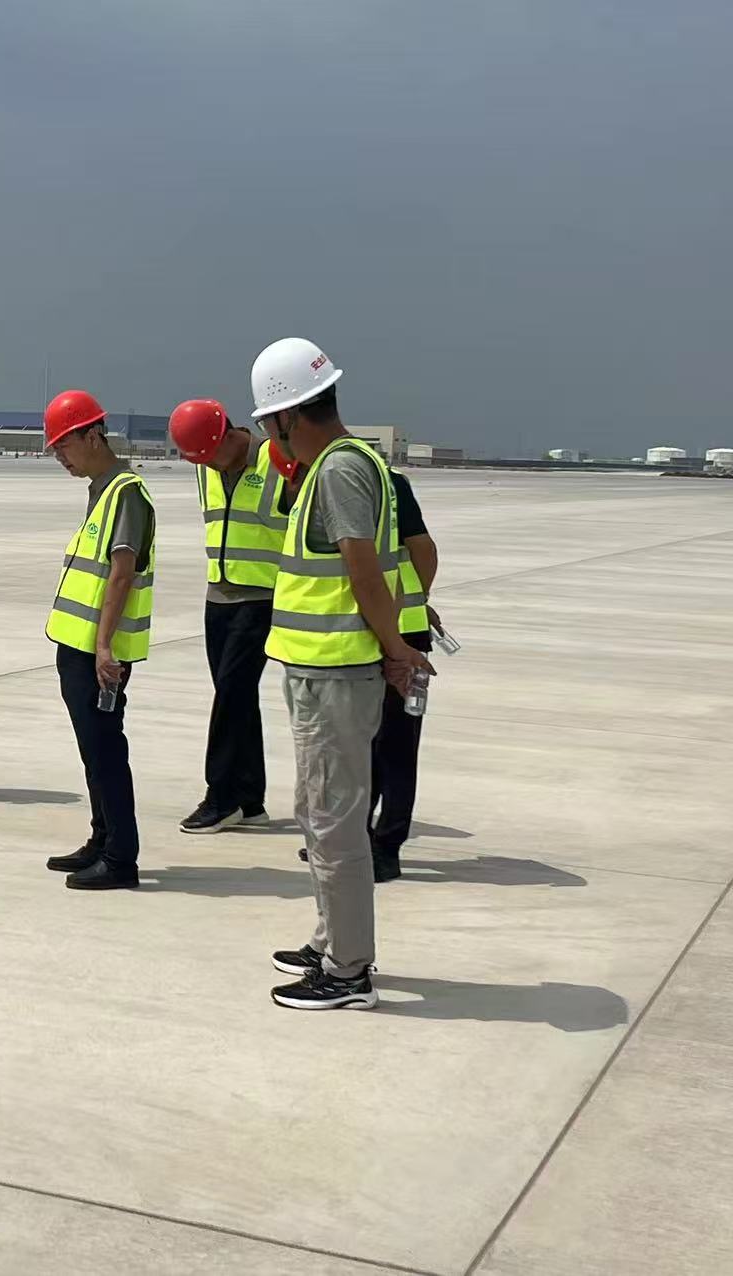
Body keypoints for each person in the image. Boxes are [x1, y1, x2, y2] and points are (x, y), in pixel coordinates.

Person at [250, 338, 433, 1010]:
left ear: (285, 416)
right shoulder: (345, 464)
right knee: (318, 811)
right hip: (321, 670)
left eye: (269, 424)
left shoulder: (339, 470)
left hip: (336, 673)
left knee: (334, 821)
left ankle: (348, 971)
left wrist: (395, 648)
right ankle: (331, 940)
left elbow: (362, 570)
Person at [40, 390, 156, 890]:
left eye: (65, 445)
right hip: (78, 647)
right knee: (93, 751)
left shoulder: (126, 493)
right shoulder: (102, 491)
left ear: (93, 436)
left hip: (98, 654)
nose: (60, 457)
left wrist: (105, 648)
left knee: (106, 752)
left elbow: (122, 573)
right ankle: (102, 837)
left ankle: (121, 858)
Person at [166, 399, 288, 834]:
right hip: (218, 594)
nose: (209, 465)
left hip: (263, 596)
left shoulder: (277, 459)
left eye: (211, 455)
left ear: (230, 435)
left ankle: (220, 796)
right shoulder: (205, 465)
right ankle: (250, 800)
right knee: (235, 695)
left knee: (231, 695)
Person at [369, 468, 439, 882]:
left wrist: (419, 600)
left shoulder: (389, 483)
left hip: (404, 631)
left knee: (395, 745)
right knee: (360, 745)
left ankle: (387, 845)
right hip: (359, 631)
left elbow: (423, 549)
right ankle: (355, 835)